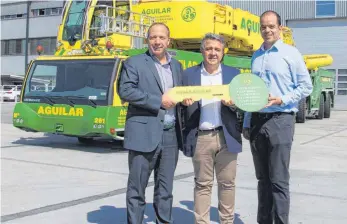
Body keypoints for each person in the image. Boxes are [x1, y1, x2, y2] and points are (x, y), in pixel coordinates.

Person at [242, 11, 313, 224]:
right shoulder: (256, 56)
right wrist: (247, 122)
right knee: (262, 180)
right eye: (263, 26)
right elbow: (251, 92)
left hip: (281, 120)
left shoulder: (291, 54)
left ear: (280, 28)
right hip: (257, 121)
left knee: (279, 181)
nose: (267, 30)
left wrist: (282, 99)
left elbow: (306, 86)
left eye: (272, 26)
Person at [118, 22, 184, 224]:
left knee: (165, 190)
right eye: (153, 37)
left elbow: (179, 95)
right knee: (137, 188)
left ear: (168, 41)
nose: (157, 41)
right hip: (143, 135)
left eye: (161, 37)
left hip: (171, 135)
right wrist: (158, 102)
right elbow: (126, 91)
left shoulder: (177, 66)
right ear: (147, 40)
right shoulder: (134, 63)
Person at [181, 33, 243, 224]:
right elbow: (179, 104)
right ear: (202, 51)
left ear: (223, 52)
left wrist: (233, 103)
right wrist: (184, 102)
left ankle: (226, 221)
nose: (213, 53)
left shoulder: (234, 74)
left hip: (226, 136)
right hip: (202, 137)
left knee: (227, 184)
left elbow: (242, 106)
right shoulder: (189, 74)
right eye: (209, 49)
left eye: (217, 49)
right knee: (202, 184)